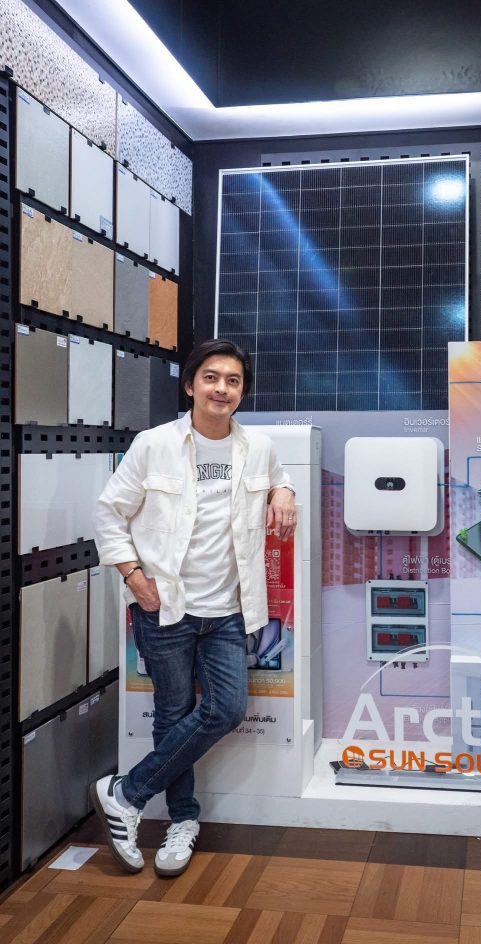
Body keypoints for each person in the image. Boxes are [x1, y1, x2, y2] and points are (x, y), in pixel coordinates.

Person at [91, 339, 296, 877]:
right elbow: (109, 515)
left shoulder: (260, 448)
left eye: (233, 380)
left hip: (228, 609)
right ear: (190, 385)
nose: (221, 389)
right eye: (211, 377)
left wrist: (284, 490)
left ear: (242, 392)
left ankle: (126, 793)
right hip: (164, 607)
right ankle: (181, 821)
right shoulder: (153, 445)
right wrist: (135, 579)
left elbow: (279, 479)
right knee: (172, 714)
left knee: (226, 709)